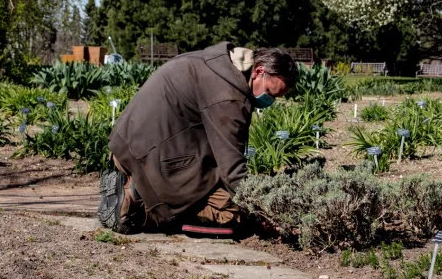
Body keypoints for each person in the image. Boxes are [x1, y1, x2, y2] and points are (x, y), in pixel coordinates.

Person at [98, 42, 297, 234]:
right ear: (259, 71)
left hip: (129, 144)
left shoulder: (220, 62)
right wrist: (264, 212)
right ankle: (136, 208)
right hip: (152, 158)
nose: (269, 100)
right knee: (231, 211)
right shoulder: (228, 96)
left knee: (216, 177)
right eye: (270, 93)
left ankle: (131, 179)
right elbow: (233, 170)